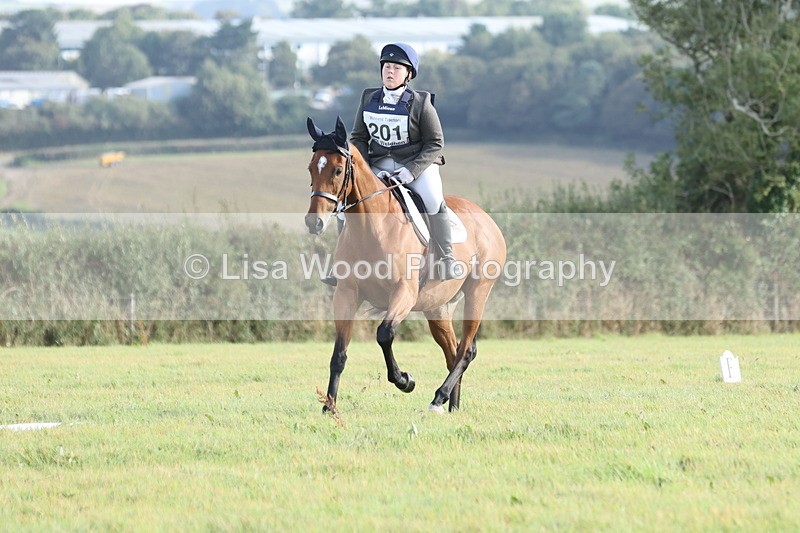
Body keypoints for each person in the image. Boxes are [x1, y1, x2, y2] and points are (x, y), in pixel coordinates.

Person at [348, 42, 461, 281]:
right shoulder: (368, 97)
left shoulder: (421, 103)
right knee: (345, 205)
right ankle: (343, 263)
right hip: (377, 164)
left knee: (433, 200)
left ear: (408, 74)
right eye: (386, 66)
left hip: (416, 165)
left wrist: (411, 171)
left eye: (397, 68)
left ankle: (446, 258)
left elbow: (435, 143)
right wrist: (366, 170)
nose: (390, 71)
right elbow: (358, 137)